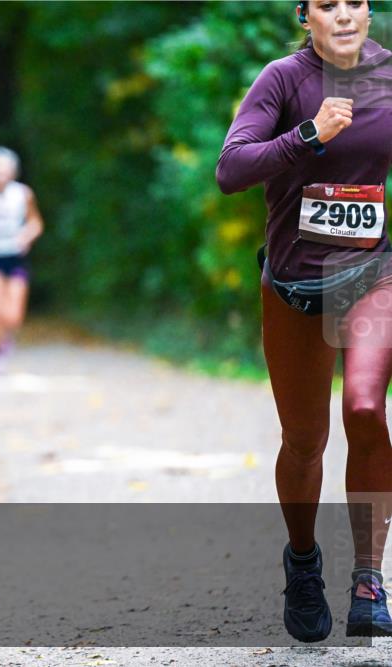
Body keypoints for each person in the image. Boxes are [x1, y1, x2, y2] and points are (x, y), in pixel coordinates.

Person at [216, 0, 392, 641]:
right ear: (304, 16)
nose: (343, 13)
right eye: (327, 3)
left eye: (355, 1)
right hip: (294, 284)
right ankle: (303, 562)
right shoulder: (284, 80)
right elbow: (231, 170)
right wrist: (309, 135)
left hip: (374, 276)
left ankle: (370, 579)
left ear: (371, 12)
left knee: (367, 410)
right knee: (304, 442)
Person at [0, 147, 44, 373]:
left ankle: (6, 339)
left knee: (13, 315)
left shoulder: (23, 194)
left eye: (5, 168)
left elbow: (36, 223)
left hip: (15, 258)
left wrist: (26, 236)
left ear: (13, 171)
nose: (0, 173)